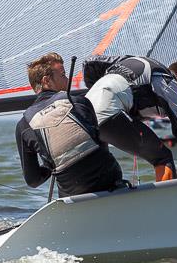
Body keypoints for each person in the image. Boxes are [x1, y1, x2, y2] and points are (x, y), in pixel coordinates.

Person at [16, 52, 123, 198]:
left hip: (73, 193)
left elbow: (33, 181)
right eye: (63, 75)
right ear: (47, 80)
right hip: (110, 182)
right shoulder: (80, 102)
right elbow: (100, 144)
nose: (68, 81)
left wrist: (51, 164)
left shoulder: (23, 125)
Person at [83, 55, 177, 181]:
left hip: (85, 113)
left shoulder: (129, 61)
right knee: (163, 157)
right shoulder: (168, 81)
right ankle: (168, 197)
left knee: (104, 161)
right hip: (109, 112)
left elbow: (89, 62)